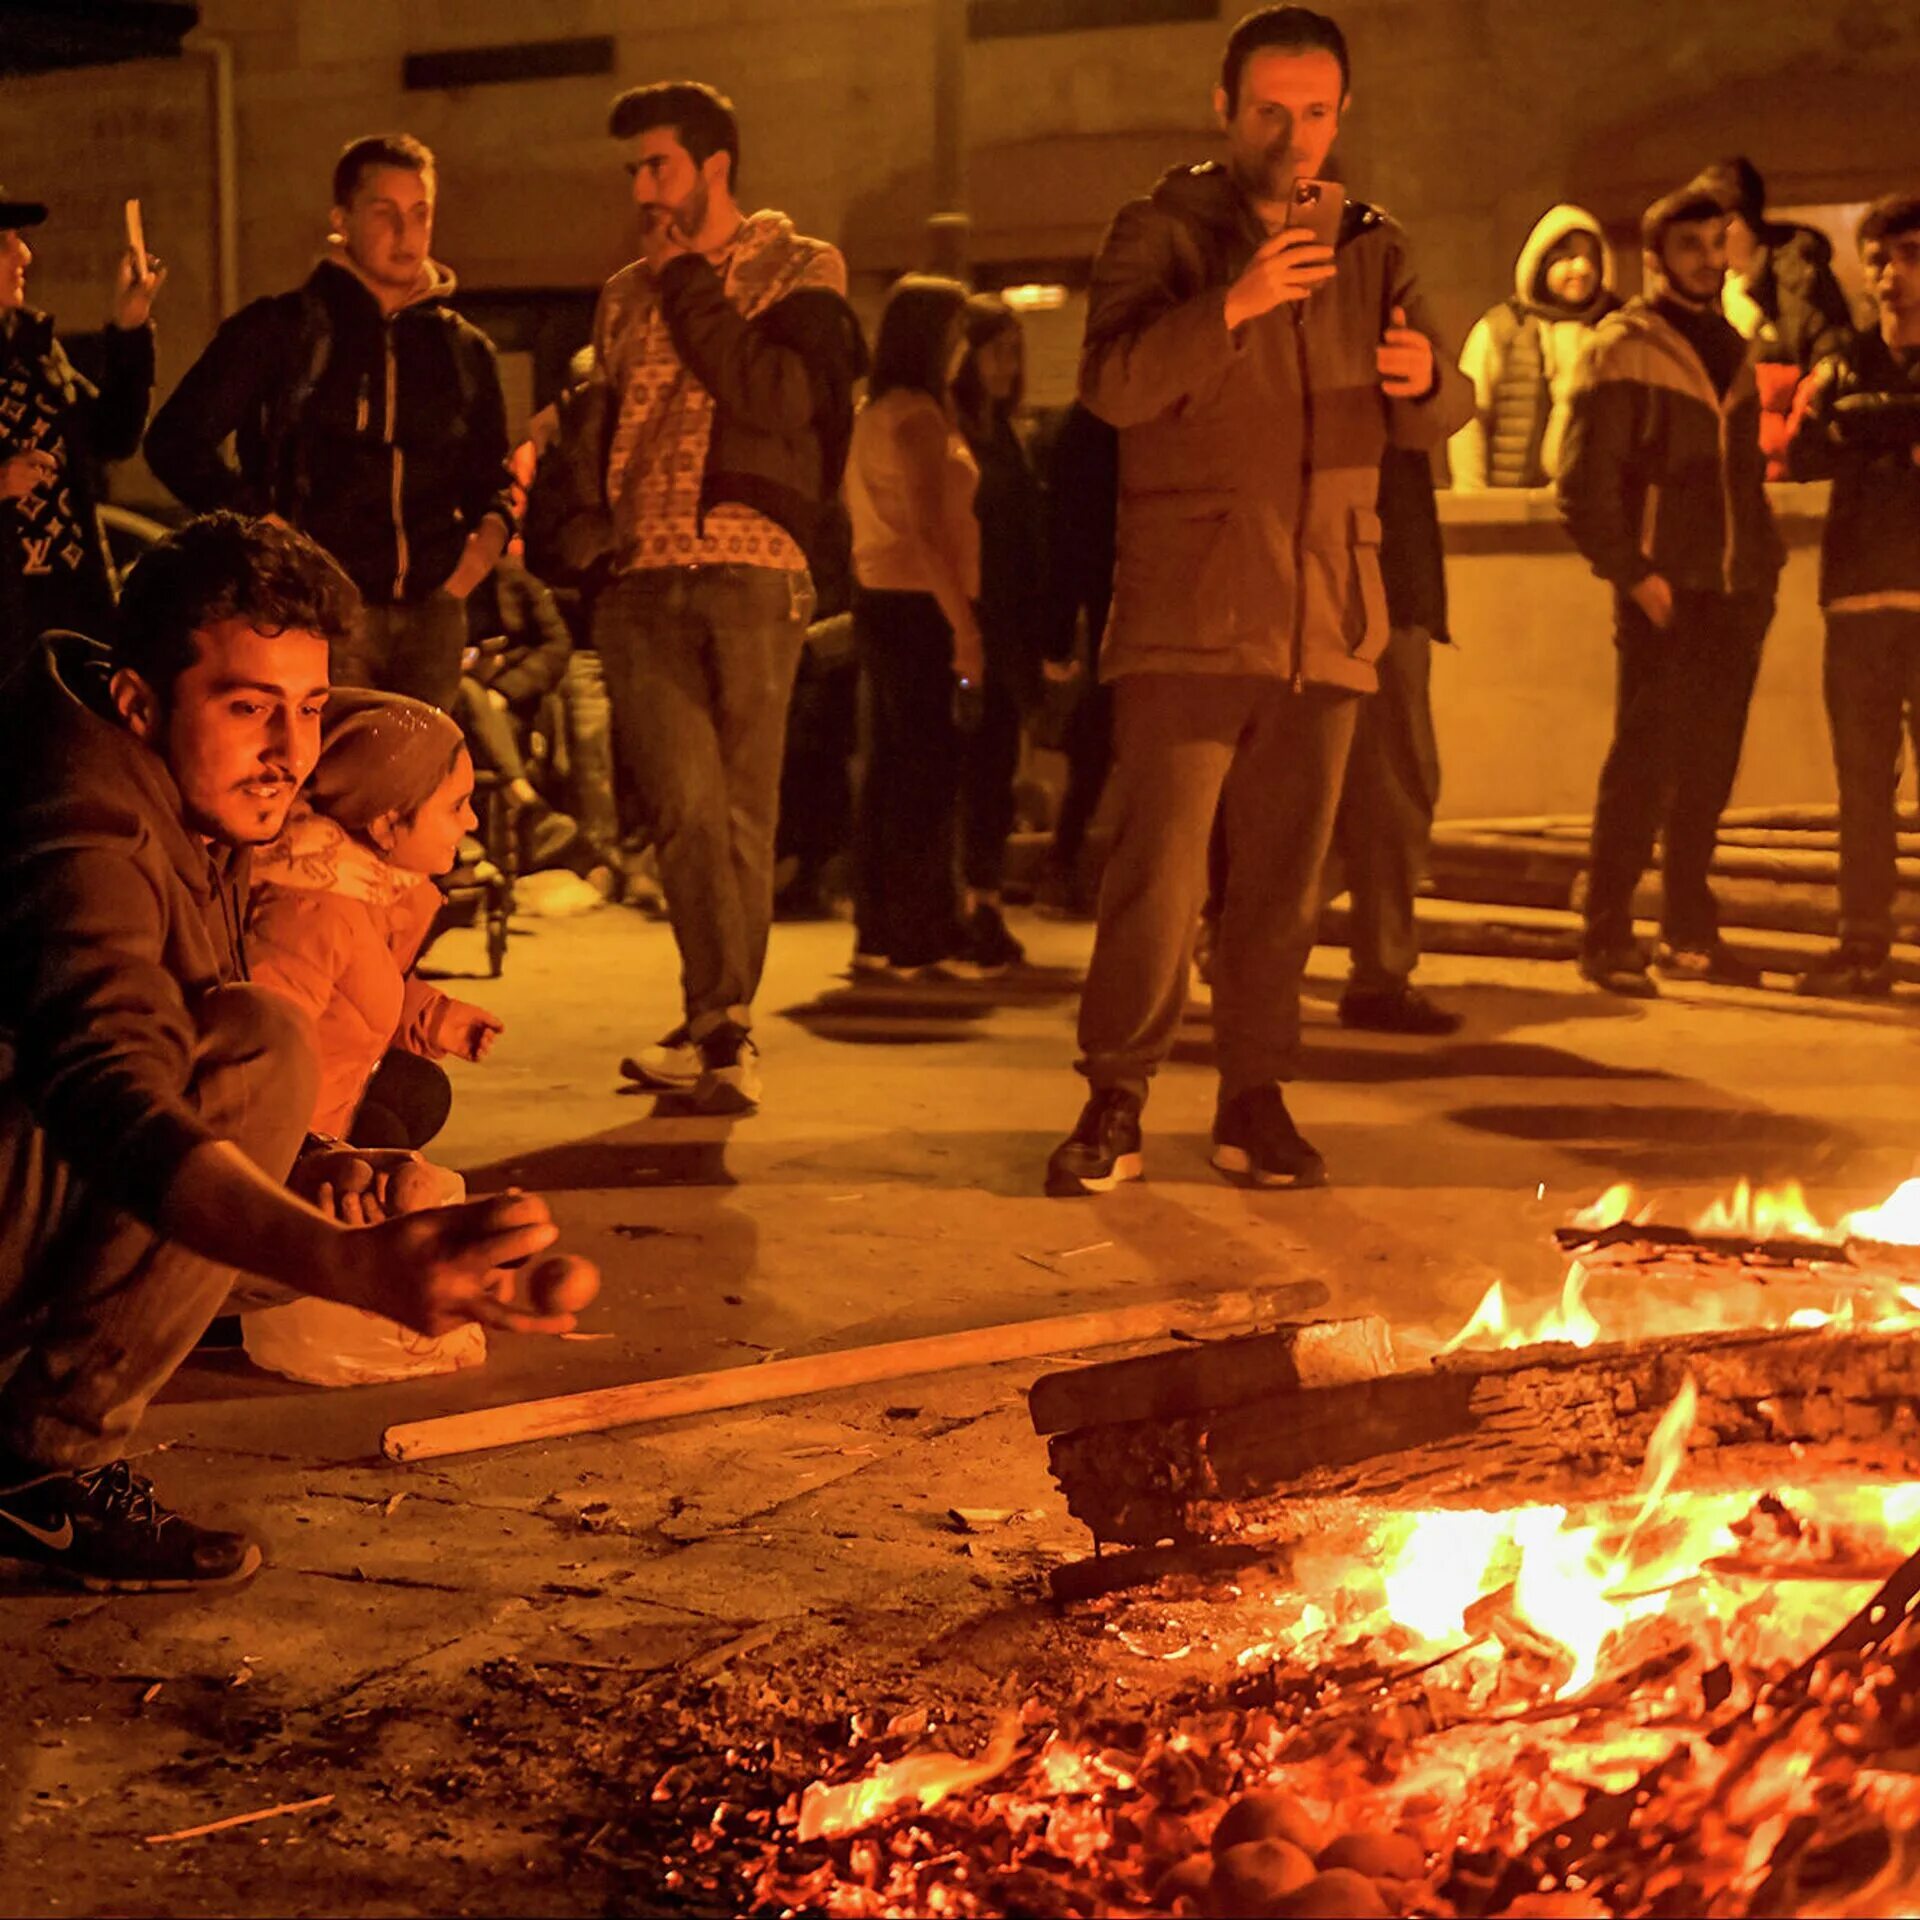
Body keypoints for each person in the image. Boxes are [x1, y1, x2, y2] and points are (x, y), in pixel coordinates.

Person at [0, 513, 581, 1594]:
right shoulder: (79, 816)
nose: (290, 753)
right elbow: (106, 1079)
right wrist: (350, 1265)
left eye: (309, 710)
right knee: (264, 1045)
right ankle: (36, 1467)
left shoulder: (195, 797)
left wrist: (321, 1164)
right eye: (248, 708)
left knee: (278, 1075)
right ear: (139, 701)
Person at [1044, 5, 1470, 1198]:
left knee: (1284, 883)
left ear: (1344, 114)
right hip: (1192, 601)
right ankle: (1115, 1096)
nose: (1295, 137)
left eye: (1318, 112)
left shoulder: (1375, 243)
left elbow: (1446, 403)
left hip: (1327, 606)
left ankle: (1253, 1101)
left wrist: (1429, 382)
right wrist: (1229, 305)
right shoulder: (1160, 232)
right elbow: (1114, 387)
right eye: (1272, 111)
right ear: (1225, 109)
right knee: (1161, 872)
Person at [590, 82, 864, 1115]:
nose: (642, 188)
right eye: (633, 170)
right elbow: (607, 420)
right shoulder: (622, 291)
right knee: (682, 806)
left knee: (741, 810)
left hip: (754, 565)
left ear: (713, 167)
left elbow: (780, 397)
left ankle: (718, 1025)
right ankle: (722, 1025)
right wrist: (586, 543)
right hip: (639, 575)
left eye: (657, 165)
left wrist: (688, 285)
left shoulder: (800, 267)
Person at [145, 134, 514, 711]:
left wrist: (468, 569)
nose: (406, 231)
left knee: (417, 787)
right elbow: (175, 441)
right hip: (315, 616)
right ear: (341, 219)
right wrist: (272, 535)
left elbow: (491, 474)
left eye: (419, 213)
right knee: (326, 783)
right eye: (383, 211)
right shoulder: (284, 330)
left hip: (433, 616)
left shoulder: (462, 348)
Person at [1558, 186, 1784, 997]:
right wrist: (1636, 575)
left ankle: (1686, 929)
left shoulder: (1733, 347)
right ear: (1653, 259)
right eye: (1689, 245)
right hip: (1666, 589)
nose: (1708, 258)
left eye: (1715, 242)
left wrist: (1762, 570)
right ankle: (1606, 933)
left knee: (1709, 769)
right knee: (1643, 765)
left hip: (1735, 588)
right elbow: (1581, 484)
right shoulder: (1621, 346)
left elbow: (1746, 478)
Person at [243, 690, 504, 1384]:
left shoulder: (366, 883)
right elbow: (252, 1062)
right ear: (389, 821)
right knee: (395, 1125)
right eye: (456, 804)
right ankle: (239, 1283)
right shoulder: (310, 907)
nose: (472, 820)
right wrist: (308, 1160)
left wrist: (435, 1015)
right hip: (285, 1144)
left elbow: (365, 986)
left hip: (328, 1105)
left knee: (418, 1091)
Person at [1787, 193, 1920, 999]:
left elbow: (1848, 432)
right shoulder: (1841, 359)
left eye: (1908, 256)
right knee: (1862, 784)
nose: (1890, 274)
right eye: (1877, 258)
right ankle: (1862, 941)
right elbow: (1803, 452)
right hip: (1859, 599)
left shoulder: (1851, 378)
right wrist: (1876, 426)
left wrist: (1865, 425)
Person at [845, 276, 982, 980]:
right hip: (922, 603)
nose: (964, 351)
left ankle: (880, 926)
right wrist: (965, 626)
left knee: (891, 771)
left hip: (878, 598)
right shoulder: (921, 418)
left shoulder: (871, 411)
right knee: (931, 771)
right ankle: (925, 931)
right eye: (957, 335)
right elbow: (931, 531)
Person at [0, 186, 164, 677]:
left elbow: (112, 436)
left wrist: (130, 327)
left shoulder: (32, 349)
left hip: (68, 604)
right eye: (4, 241)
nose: (23, 254)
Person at [1330, 445, 1459, 1032]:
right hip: (1376, 584)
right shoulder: (1377, 368)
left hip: (1362, 581)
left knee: (1341, 789)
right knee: (1395, 788)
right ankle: (1379, 972)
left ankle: (1233, 943)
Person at [953, 293, 1045, 974]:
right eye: (996, 351)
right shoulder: (953, 432)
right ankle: (964, 904)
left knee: (994, 772)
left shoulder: (1009, 435)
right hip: (966, 620)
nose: (1009, 366)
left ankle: (982, 901)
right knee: (966, 769)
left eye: (1016, 352)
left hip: (1007, 621)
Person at [1690, 157, 1854, 480]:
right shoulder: (1708, 287)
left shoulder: (1798, 275)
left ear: (1733, 222)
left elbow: (1830, 349)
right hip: (1727, 460)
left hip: (1790, 458)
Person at [1449, 204, 1618, 490]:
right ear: (1540, 263)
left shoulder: (1616, 331)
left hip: (1596, 510)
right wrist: (1473, 498)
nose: (1582, 268)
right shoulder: (1502, 330)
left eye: (1591, 257)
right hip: (1510, 506)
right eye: (1567, 257)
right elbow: (1469, 418)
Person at [1037, 401, 1120, 919]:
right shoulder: (1100, 425)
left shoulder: (1083, 426)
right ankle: (1063, 861)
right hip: (1128, 589)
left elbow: (1063, 532)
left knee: (1102, 732)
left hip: (1107, 594)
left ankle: (1063, 861)